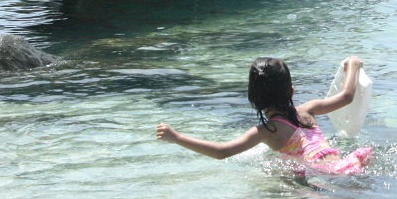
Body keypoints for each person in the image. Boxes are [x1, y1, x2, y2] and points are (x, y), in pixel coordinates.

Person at [156, 56, 372, 175]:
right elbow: (346, 96)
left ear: (253, 100)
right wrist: (352, 64)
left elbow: (221, 152)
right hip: (348, 164)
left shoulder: (266, 132)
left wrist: (177, 138)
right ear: (291, 91)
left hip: (325, 177)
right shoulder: (308, 110)